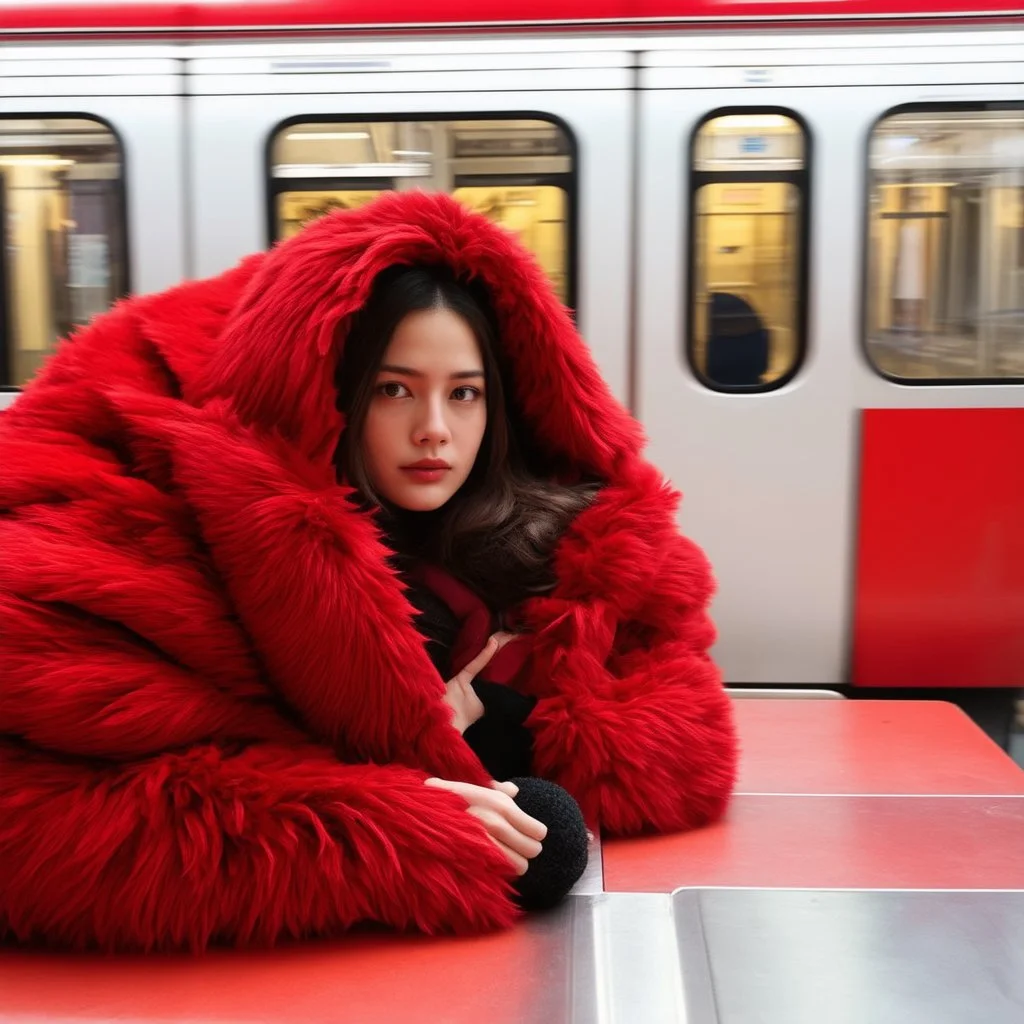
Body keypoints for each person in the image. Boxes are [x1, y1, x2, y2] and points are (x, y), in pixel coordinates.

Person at [0, 190, 738, 952]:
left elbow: (689, 735)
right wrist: (409, 828)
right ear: (335, 395)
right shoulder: (161, 514)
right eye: (395, 390)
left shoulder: (560, 540)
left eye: (465, 394)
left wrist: (501, 719)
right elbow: (40, 830)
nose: (435, 431)